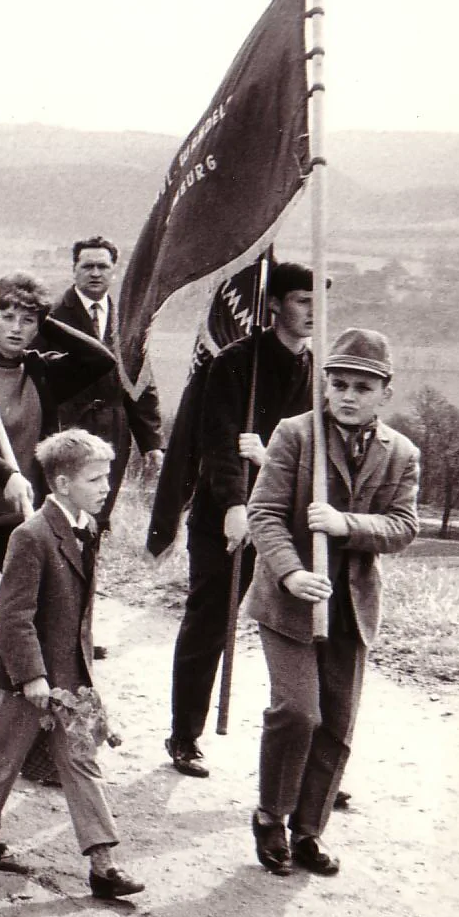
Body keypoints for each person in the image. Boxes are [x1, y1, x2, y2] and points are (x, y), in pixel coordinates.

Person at [246, 328, 419, 877]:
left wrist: (348, 525)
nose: (348, 395)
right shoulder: (296, 436)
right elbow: (265, 513)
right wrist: (292, 572)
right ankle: (271, 816)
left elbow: (403, 526)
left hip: (350, 606)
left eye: (363, 387)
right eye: (338, 383)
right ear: (325, 385)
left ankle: (309, 831)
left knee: (337, 724)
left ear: (384, 393)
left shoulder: (402, 453)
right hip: (289, 600)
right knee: (298, 712)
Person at [0, 271, 115, 770]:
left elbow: (100, 360)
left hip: (28, 524)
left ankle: (35, 743)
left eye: (27, 320)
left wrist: (49, 322)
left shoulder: (42, 369)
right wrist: (7, 473)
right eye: (6, 316)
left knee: (35, 627)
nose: (16, 328)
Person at [0, 429, 145, 901]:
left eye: (106, 477)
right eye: (95, 479)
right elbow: (11, 615)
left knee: (81, 762)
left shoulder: (86, 529)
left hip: (68, 678)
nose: (106, 487)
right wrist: (32, 677)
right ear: (61, 484)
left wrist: (85, 679)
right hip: (27, 678)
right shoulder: (32, 535)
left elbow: (78, 618)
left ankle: (103, 865)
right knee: (4, 757)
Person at [166, 261, 316, 778]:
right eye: (301, 299)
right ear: (273, 304)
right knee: (209, 622)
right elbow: (218, 438)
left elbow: (313, 450)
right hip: (225, 515)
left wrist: (269, 452)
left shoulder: (317, 372)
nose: (312, 310)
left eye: (318, 299)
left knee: (305, 628)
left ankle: (307, 756)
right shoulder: (237, 361)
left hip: (286, 521)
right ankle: (184, 734)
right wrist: (233, 504)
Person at [48, 236, 164, 531]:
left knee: (100, 511)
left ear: (114, 270)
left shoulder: (128, 319)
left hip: (114, 430)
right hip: (67, 428)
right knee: (64, 510)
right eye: (88, 266)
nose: (95, 273)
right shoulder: (53, 317)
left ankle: (90, 574)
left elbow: (140, 382)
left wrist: (151, 443)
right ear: (74, 270)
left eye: (103, 266)